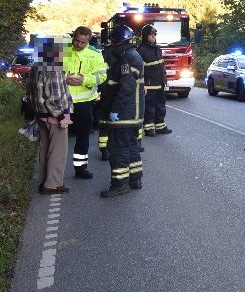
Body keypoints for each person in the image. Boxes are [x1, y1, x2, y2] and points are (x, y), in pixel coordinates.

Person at [100, 24, 145, 197]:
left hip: (124, 115)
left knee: (118, 149)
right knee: (132, 146)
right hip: (132, 115)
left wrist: (115, 110)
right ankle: (135, 179)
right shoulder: (132, 55)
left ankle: (119, 184)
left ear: (118, 42)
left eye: (113, 42)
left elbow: (126, 87)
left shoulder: (126, 58)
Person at [28, 36, 74, 194]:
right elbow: (54, 98)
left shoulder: (36, 66)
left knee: (45, 148)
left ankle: (44, 181)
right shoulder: (53, 68)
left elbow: (30, 93)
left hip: (40, 115)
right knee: (58, 151)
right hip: (54, 116)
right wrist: (62, 117)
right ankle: (53, 184)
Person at [63, 26, 107, 179]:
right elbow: (49, 72)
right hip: (63, 102)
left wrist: (84, 80)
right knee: (58, 138)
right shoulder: (62, 50)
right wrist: (64, 79)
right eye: (77, 41)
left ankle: (80, 169)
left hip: (84, 102)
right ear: (73, 36)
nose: (79, 45)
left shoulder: (95, 54)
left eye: (83, 42)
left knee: (83, 137)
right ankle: (55, 172)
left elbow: (101, 77)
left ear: (89, 41)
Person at [137, 24, 171, 137]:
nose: (153, 37)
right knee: (149, 108)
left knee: (160, 106)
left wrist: (164, 79)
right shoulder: (141, 50)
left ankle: (160, 126)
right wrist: (143, 84)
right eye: (151, 35)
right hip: (149, 85)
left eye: (154, 34)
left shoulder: (157, 49)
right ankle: (149, 128)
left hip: (159, 83)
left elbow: (161, 66)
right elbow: (140, 69)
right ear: (145, 36)